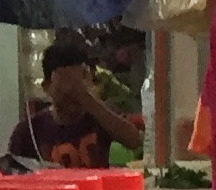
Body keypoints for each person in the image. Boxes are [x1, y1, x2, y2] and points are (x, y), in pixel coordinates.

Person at [9, 36, 145, 167]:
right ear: (47, 87)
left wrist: (89, 100)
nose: (72, 93)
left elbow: (134, 141)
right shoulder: (28, 133)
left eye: (78, 83)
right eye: (63, 87)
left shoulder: (101, 117)